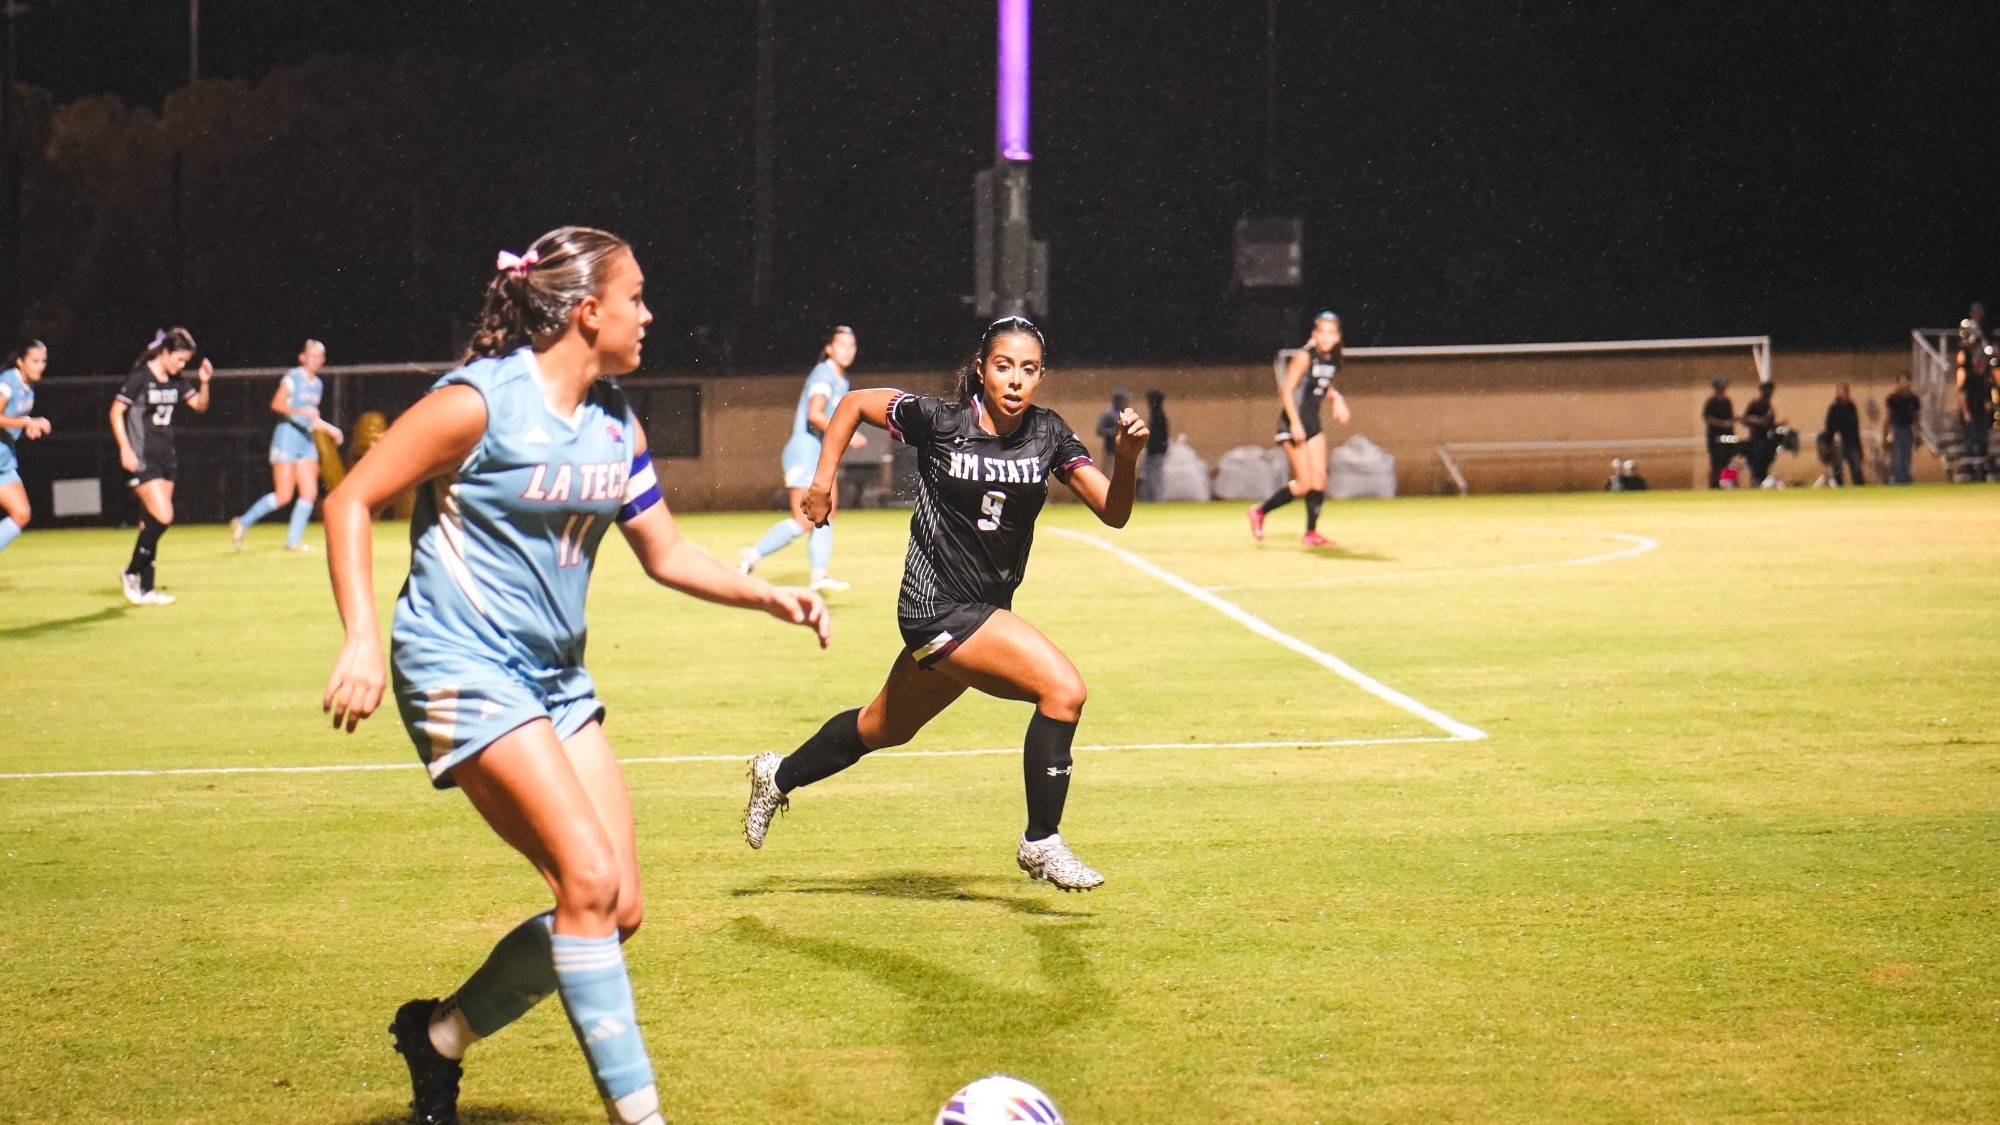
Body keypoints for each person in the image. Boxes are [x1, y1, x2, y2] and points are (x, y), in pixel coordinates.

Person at [319, 228, 830, 1125]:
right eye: (637, 296)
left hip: (556, 683)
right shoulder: (478, 402)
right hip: (459, 662)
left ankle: (439, 1034)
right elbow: (350, 497)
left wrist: (766, 597)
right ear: (588, 311)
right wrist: (361, 635)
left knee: (617, 905)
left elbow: (663, 550)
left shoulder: (614, 422)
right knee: (587, 882)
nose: (649, 313)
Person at [741, 315, 1148, 892]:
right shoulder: (940, 420)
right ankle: (1041, 841)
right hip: (935, 606)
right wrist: (821, 480)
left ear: (1040, 378)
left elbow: (1114, 510)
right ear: (981, 370)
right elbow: (854, 403)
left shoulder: (1049, 435)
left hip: (981, 612)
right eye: (1003, 366)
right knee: (1063, 691)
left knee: (881, 726)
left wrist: (1126, 459)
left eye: (1028, 370)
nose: (1015, 380)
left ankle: (776, 775)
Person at [737, 326, 865, 591]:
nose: (848, 351)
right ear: (829, 348)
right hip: (805, 452)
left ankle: (819, 576)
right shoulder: (824, 374)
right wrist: (847, 434)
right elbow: (814, 413)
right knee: (804, 520)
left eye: (851, 346)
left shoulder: (841, 379)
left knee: (826, 513)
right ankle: (753, 554)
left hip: (820, 454)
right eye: (841, 345)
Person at [109, 327, 211, 605]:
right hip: (141, 458)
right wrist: (125, 447)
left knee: (151, 522)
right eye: (179, 359)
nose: (182, 365)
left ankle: (147, 588)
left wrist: (204, 382)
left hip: (167, 459)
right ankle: (131, 572)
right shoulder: (141, 377)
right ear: (165, 352)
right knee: (164, 517)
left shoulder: (176, 380)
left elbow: (199, 406)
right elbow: (116, 411)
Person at [231, 339, 345, 551]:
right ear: (302, 358)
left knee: (309, 492)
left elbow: (312, 417)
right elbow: (276, 404)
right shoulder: (293, 378)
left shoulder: (318, 384)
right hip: (287, 437)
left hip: (306, 439)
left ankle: (293, 541)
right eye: (312, 355)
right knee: (284, 495)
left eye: (319, 356)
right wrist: (302, 413)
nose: (316, 360)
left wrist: (331, 429)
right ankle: (243, 522)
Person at [1250, 311, 1350, 545]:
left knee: (1320, 478)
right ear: (1314, 335)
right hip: (1292, 422)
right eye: (1321, 332)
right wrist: (1294, 423)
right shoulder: (1306, 356)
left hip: (1313, 423)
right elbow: (1286, 390)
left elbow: (1323, 385)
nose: (1326, 337)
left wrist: (1337, 398)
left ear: (1337, 338)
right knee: (1305, 483)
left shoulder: (1333, 359)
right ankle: (1260, 512)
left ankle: (1311, 532)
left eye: (1331, 332)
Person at [0, 340, 53, 555]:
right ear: (20, 362)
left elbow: (13, 420)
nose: (40, 366)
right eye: (35, 361)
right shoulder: (7, 383)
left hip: (4, 461)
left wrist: (26, 426)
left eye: (43, 361)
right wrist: (28, 422)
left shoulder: (28, 387)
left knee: (21, 514)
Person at [1960, 349, 1995, 481]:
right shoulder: (1969, 376)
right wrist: (1966, 412)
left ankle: (1982, 471)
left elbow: (1989, 397)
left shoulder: (1987, 377)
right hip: (1972, 414)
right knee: (1970, 442)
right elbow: (1962, 395)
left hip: (1983, 415)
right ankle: (1969, 471)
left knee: (1983, 442)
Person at [1823, 382, 1865, 486]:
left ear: (1847, 393)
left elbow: (1855, 427)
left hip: (1851, 441)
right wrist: (1828, 442)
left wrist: (1859, 446)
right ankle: (1839, 485)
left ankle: (1859, 486)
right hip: (1838, 440)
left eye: (1840, 391)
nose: (1838, 394)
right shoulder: (1834, 408)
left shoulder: (1851, 407)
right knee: (1837, 467)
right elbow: (1829, 426)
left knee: (1856, 466)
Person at [1740, 382, 1780, 486]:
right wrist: (1759, 421)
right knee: (1756, 467)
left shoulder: (1769, 406)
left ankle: (1761, 484)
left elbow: (1769, 424)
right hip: (1756, 440)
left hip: (1766, 441)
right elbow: (1745, 419)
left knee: (1765, 466)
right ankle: (1756, 484)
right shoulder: (1755, 404)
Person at [1883, 373, 1920, 485]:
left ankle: (1906, 478)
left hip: (1907, 428)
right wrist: (1886, 432)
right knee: (1897, 455)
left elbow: (1916, 417)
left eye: (1906, 381)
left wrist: (1918, 432)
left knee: (1906, 454)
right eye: (1901, 381)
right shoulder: (1893, 398)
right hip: (1896, 428)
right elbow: (1889, 416)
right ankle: (1896, 478)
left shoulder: (1913, 399)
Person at [1701, 375, 1736, 489]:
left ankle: (1728, 483)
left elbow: (1730, 418)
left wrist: (1730, 425)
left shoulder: (1727, 401)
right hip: (1715, 437)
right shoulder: (1711, 402)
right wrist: (1722, 424)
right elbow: (1707, 418)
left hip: (1727, 436)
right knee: (1716, 462)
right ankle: (1714, 485)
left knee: (1728, 461)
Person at [1139, 388, 1170, 502]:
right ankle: (1153, 497)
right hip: (1156, 449)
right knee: (1153, 474)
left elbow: (1158, 435)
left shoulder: (1158, 415)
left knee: (1154, 475)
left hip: (1156, 450)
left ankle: (1156, 498)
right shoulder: (1158, 414)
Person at [1095, 388, 1132, 464]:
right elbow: (1100, 430)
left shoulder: (1127, 414)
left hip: (1125, 451)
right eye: (1124, 400)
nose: (1126, 402)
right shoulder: (1109, 414)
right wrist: (1114, 432)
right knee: (1109, 473)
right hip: (1111, 451)